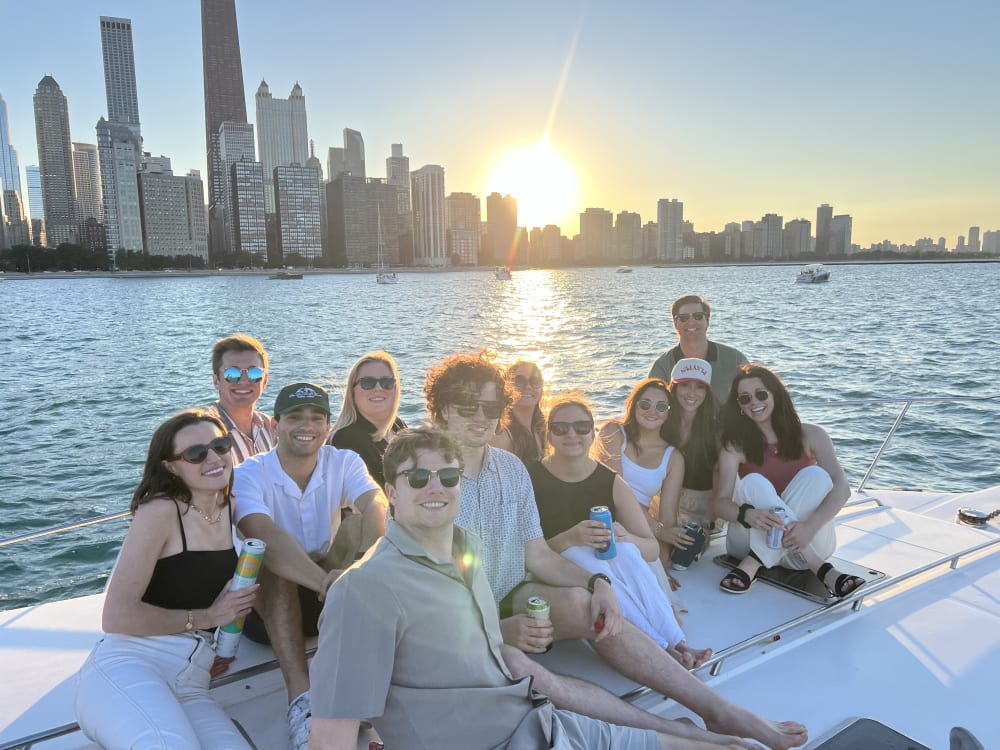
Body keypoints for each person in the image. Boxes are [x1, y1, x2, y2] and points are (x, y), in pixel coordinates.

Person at [425, 351, 809, 750]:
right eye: (467, 405)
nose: (481, 416)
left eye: (491, 406)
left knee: (588, 603)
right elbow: (427, 598)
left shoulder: (510, 468)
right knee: (525, 668)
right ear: (442, 409)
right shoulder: (425, 481)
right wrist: (494, 632)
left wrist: (599, 583)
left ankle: (717, 709)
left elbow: (536, 555)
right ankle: (683, 733)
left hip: (512, 594)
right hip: (465, 619)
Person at [308, 426, 750, 750]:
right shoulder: (364, 589)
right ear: (392, 492)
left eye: (448, 476)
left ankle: (696, 728)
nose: (436, 488)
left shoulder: (467, 551)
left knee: (727, 749)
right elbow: (331, 737)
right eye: (418, 479)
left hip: (537, 723)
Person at [75, 409, 258, 749]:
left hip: (192, 679)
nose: (213, 458)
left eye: (220, 445)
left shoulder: (232, 505)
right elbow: (115, 617)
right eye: (195, 454)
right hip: (131, 664)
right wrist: (207, 618)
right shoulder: (161, 511)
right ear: (171, 466)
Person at [232, 383, 388, 750]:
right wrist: (334, 585)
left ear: (327, 425)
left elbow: (376, 502)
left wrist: (356, 569)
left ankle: (354, 683)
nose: (307, 426)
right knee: (269, 561)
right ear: (275, 425)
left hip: (325, 596)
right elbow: (260, 531)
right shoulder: (249, 473)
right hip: (266, 607)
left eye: (317, 418)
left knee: (355, 526)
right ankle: (301, 700)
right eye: (295, 417)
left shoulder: (343, 460)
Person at [530, 393, 711, 668]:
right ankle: (663, 648)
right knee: (587, 559)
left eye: (581, 427)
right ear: (549, 435)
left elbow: (650, 549)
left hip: (610, 567)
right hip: (555, 568)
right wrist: (571, 538)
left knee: (626, 551)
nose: (571, 434)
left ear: (592, 434)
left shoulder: (610, 482)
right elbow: (524, 552)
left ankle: (677, 642)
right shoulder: (529, 478)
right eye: (560, 428)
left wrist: (628, 538)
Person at [712, 364, 864, 598]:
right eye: (745, 398)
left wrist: (809, 528)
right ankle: (823, 569)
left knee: (817, 476)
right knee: (753, 483)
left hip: (802, 544)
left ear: (775, 394)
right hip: (752, 542)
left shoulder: (812, 435)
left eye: (761, 394)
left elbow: (842, 488)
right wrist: (746, 514)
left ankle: (754, 563)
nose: (754, 402)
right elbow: (720, 503)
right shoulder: (735, 446)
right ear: (739, 406)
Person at [598, 377, 685, 572]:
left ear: (669, 413)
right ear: (633, 405)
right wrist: (658, 530)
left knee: (658, 567)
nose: (652, 411)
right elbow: (616, 493)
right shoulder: (613, 432)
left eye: (661, 407)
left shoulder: (673, 457)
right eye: (645, 404)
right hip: (605, 520)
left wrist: (662, 562)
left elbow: (667, 518)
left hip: (641, 529)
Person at [657, 358, 722, 564]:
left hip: (700, 504)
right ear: (674, 388)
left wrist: (708, 522)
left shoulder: (716, 428)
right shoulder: (661, 422)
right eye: (684, 385)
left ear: (707, 392)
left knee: (681, 556)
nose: (692, 394)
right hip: (661, 501)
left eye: (699, 387)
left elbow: (720, 473)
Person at [649, 295, 748, 405]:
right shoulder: (662, 366)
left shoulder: (735, 359)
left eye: (698, 316)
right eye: (684, 318)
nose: (691, 322)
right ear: (675, 323)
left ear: (707, 321)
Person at [328, 351, 406, 488]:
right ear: (352, 390)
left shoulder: (397, 425)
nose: (378, 388)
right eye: (367, 383)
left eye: (387, 382)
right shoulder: (346, 440)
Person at [207, 333, 276, 464]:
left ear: (265, 380)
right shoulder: (204, 432)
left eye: (254, 373)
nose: (244, 381)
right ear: (216, 381)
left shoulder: (270, 427)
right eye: (232, 373)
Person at [490, 359, 546, 463]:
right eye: (519, 381)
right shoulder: (501, 434)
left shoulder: (540, 428)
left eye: (535, 381)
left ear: (541, 388)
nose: (528, 387)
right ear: (507, 386)